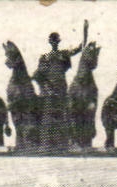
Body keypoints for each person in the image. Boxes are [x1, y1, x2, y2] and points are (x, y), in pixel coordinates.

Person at [34, 22, 87, 150]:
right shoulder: (45, 58)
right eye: (52, 41)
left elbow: (80, 48)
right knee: (44, 116)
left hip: (62, 91)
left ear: (58, 42)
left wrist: (85, 33)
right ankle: (41, 142)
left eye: (56, 40)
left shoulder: (63, 54)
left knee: (68, 114)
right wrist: (47, 88)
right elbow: (38, 75)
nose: (54, 43)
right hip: (48, 93)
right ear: (49, 42)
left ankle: (70, 141)